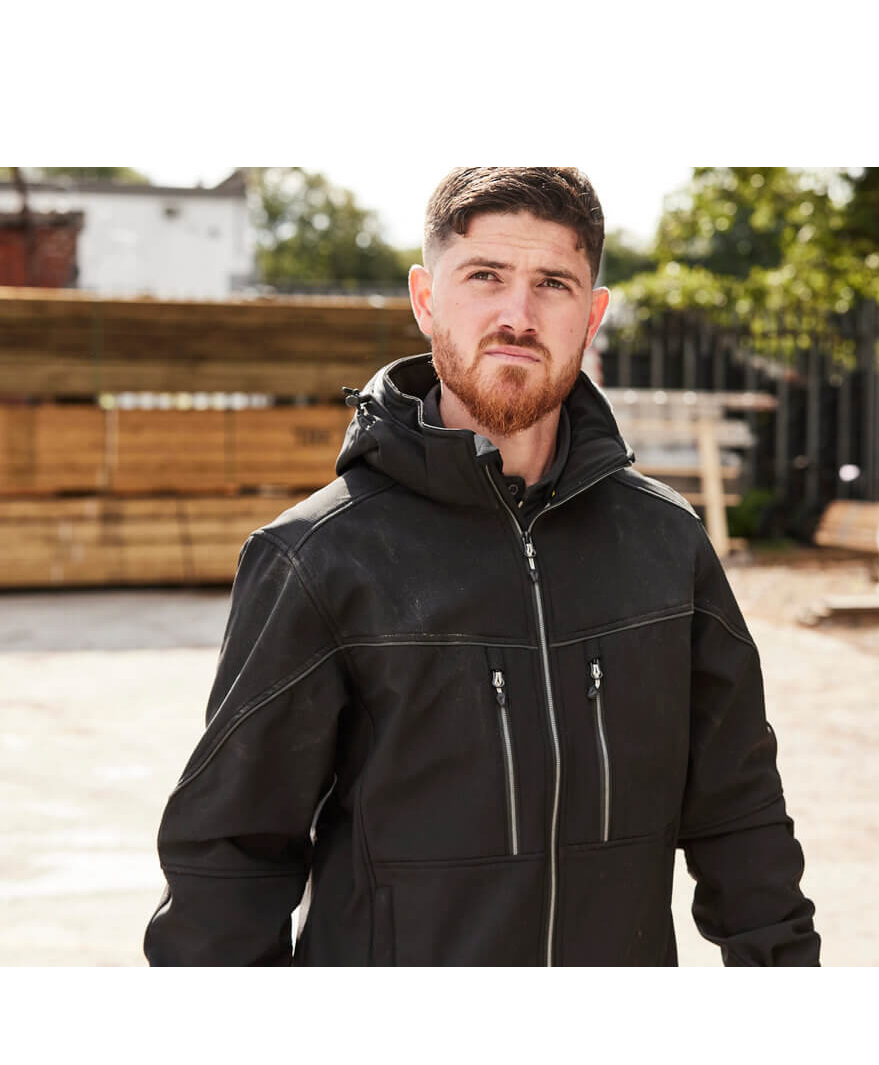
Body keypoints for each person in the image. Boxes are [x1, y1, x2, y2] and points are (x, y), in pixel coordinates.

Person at [145, 167, 820, 966]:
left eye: (553, 284)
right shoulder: (318, 557)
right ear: (426, 298)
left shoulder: (666, 543)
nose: (517, 316)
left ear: (592, 315)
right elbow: (229, 865)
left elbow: (741, 816)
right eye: (485, 277)